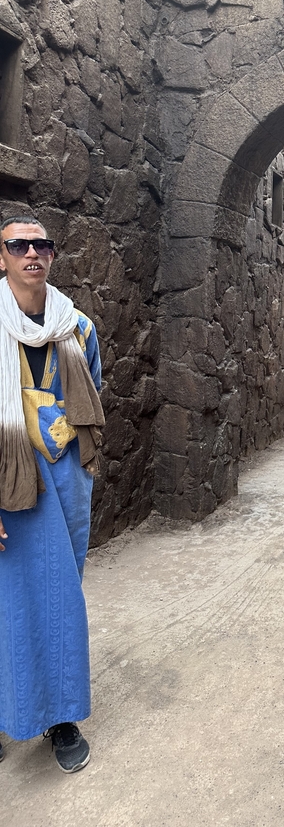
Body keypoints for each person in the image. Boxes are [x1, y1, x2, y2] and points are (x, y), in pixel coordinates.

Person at [0, 215, 104, 773]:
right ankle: (5, 711)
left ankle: (61, 716)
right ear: (3, 257)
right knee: (7, 598)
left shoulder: (77, 326)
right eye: (19, 245)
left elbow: (93, 387)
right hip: (5, 478)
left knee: (61, 595)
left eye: (41, 245)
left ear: (52, 256)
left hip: (65, 475)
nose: (31, 253)